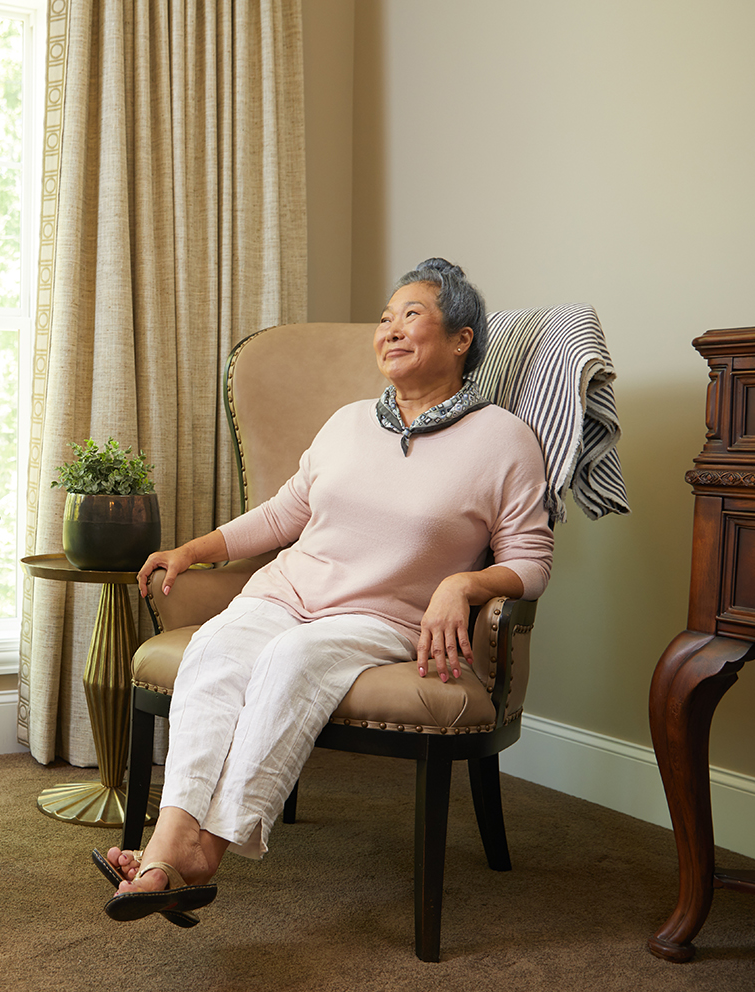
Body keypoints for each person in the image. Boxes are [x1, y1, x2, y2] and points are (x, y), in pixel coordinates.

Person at [99, 258, 555, 923]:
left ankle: (207, 854)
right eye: (384, 318)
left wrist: (464, 581)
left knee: (292, 658)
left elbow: (532, 561)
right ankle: (168, 846)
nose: (390, 330)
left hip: (383, 617)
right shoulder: (348, 422)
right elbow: (285, 514)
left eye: (412, 315)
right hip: (288, 590)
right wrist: (195, 550)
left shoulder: (503, 441)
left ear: (462, 340)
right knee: (217, 646)